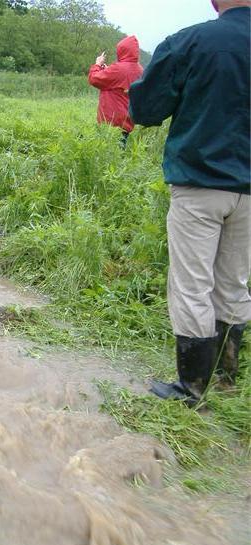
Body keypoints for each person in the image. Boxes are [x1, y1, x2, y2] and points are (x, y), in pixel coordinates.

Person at [129, 0, 250, 405]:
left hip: (201, 181)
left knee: (193, 284)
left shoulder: (191, 41)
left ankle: (192, 387)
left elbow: (146, 109)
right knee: (234, 281)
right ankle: (226, 378)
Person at [88, 36, 143, 148]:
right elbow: (119, 82)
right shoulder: (140, 70)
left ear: (122, 50)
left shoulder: (118, 69)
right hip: (127, 122)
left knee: (106, 153)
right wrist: (108, 70)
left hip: (111, 122)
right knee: (119, 152)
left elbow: (94, 79)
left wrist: (97, 64)